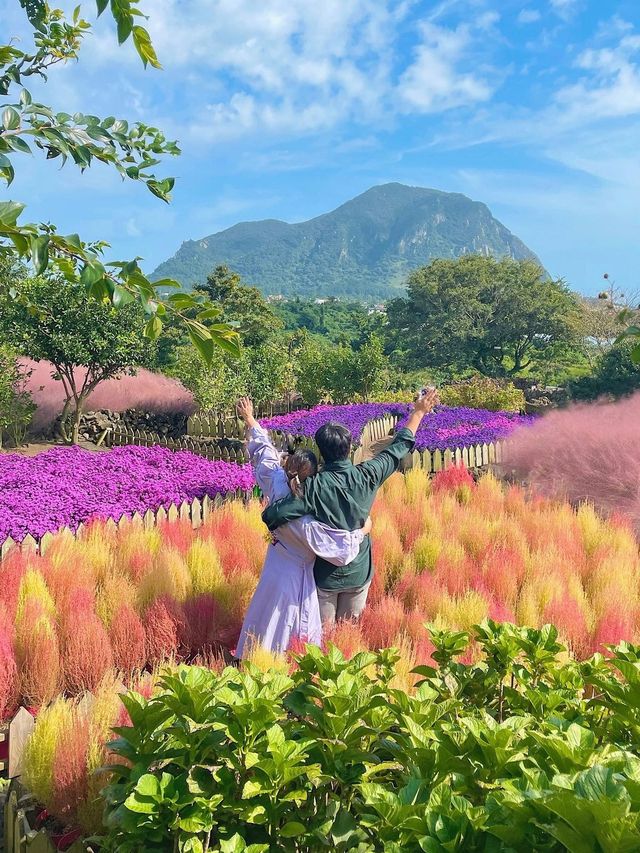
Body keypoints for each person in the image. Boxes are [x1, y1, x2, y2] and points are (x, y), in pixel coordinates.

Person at [262, 390, 439, 627]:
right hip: (359, 571)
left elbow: (273, 516)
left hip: (324, 575)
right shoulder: (369, 474)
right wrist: (419, 412)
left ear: (321, 453)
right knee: (349, 636)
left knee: (322, 644)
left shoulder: (313, 487)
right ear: (349, 448)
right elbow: (398, 447)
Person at [235, 397, 370, 658]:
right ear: (313, 476)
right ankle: (280, 666)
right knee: (288, 626)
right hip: (295, 577)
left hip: (274, 565)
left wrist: (250, 419)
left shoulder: (276, 482)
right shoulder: (305, 523)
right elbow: (340, 551)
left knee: (264, 615)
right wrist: (363, 531)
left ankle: (255, 659)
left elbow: (265, 454)